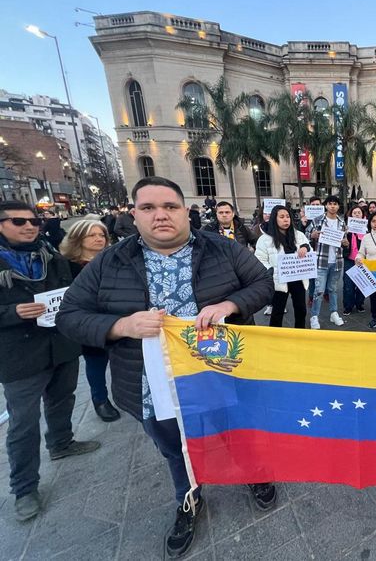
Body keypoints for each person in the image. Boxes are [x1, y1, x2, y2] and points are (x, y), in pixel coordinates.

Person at [56, 177, 276, 558]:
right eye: (148, 208)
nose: (160, 216)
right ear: (134, 215)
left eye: (170, 207)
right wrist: (120, 326)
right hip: (150, 384)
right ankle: (188, 499)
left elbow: (262, 283)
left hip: (221, 372)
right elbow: (70, 316)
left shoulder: (222, 249)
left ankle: (254, 475)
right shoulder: (110, 261)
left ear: (186, 212)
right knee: (176, 448)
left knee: (235, 432)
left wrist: (230, 306)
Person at [0, 201, 100, 522]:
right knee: (23, 423)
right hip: (20, 355)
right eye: (19, 221)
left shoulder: (49, 255)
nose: (29, 226)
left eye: (33, 221)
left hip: (61, 345)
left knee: (61, 399)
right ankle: (24, 488)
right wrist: (12, 313)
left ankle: (61, 442)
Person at [59, 219, 121, 422]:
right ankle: (100, 400)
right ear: (78, 238)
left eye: (101, 235)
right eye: (91, 235)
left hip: (117, 317)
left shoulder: (114, 259)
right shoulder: (67, 266)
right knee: (96, 363)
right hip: (89, 322)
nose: (98, 239)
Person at [254, 205, 310, 328]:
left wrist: (305, 248)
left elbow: (307, 245)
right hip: (278, 280)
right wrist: (274, 271)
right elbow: (260, 260)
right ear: (274, 219)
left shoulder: (298, 234)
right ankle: (275, 336)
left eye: (288, 217)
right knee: (277, 311)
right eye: (282, 217)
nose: (286, 220)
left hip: (297, 278)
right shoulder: (265, 239)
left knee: (301, 309)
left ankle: (300, 332)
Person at [305, 195, 347, 329]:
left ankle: (333, 313)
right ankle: (314, 316)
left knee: (333, 289)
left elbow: (345, 240)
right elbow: (305, 235)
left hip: (337, 261)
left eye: (335, 204)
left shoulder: (342, 222)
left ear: (338, 206)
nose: (333, 206)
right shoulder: (318, 220)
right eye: (330, 204)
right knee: (319, 290)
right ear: (326, 206)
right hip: (321, 262)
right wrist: (312, 235)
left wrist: (345, 243)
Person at [342, 205, 366, 315]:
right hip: (349, 260)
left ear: (363, 215)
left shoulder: (367, 230)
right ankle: (348, 306)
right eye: (354, 213)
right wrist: (344, 241)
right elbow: (340, 243)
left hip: (362, 261)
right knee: (348, 285)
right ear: (351, 215)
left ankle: (359, 304)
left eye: (359, 213)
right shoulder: (346, 229)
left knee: (362, 285)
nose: (357, 214)